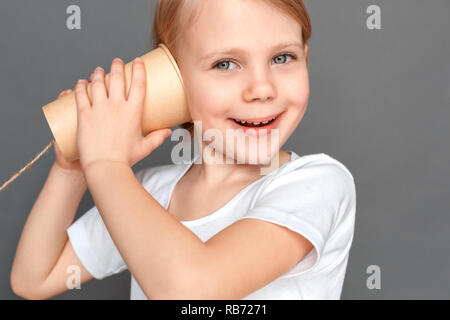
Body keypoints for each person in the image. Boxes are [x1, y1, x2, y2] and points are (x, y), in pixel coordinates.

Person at [10, 0, 356, 300]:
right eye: (225, 64)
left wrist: (106, 164)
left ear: (305, 56)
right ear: (173, 78)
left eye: (283, 57)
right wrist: (75, 167)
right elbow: (33, 279)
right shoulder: (144, 193)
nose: (262, 88)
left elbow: (192, 289)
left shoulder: (316, 185)